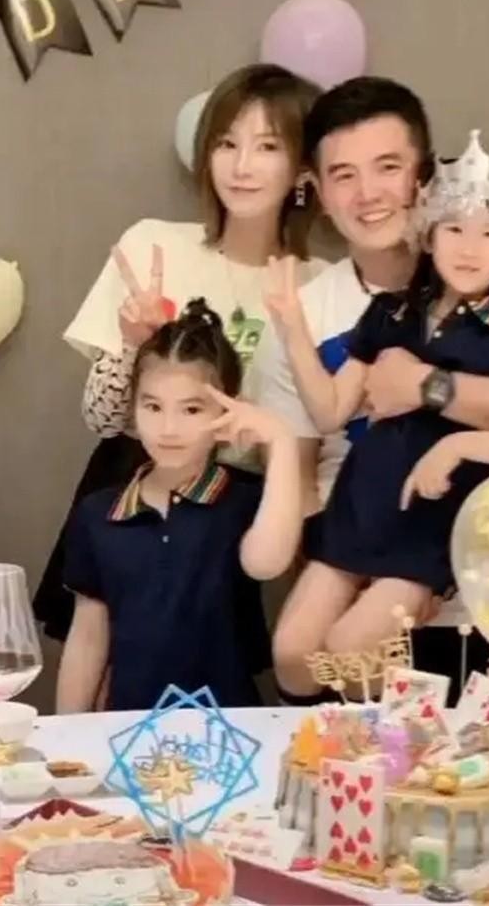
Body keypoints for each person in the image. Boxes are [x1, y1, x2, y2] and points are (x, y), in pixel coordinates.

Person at [254, 78, 489, 709]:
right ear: (318, 190)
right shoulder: (341, 310)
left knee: (488, 768)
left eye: (388, 166)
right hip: (358, 553)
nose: (368, 193)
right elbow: (299, 475)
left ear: (424, 177)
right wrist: (345, 579)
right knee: (307, 664)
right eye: (344, 174)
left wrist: (428, 388)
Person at [35, 63, 326, 642]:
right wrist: (132, 346)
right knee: (103, 669)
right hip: (134, 488)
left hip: (235, 514)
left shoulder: (321, 285)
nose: (241, 166)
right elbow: (102, 419)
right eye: (226, 143)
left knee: (212, 678)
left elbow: (311, 446)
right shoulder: (153, 244)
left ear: (301, 168)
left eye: (267, 146)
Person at [56, 299, 301, 712]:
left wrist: (282, 441)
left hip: (228, 728)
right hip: (127, 726)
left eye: (191, 409)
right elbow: (87, 638)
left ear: (230, 408)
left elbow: (267, 563)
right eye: (152, 406)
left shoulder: (243, 500)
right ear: (133, 407)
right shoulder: (99, 513)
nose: (168, 428)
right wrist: (68, 732)